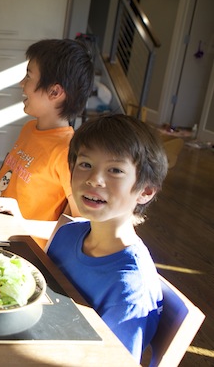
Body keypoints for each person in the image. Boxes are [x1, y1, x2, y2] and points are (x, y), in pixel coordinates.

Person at [46, 114, 167, 361]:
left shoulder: (130, 289)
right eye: (85, 164)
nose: (94, 179)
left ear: (145, 191)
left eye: (115, 170)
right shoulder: (68, 233)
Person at [0, 38, 94, 222]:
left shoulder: (67, 151)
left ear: (54, 92)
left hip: (22, 245)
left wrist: (21, 222)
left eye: (28, 76)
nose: (21, 83)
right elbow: (14, 177)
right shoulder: (29, 128)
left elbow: (77, 227)